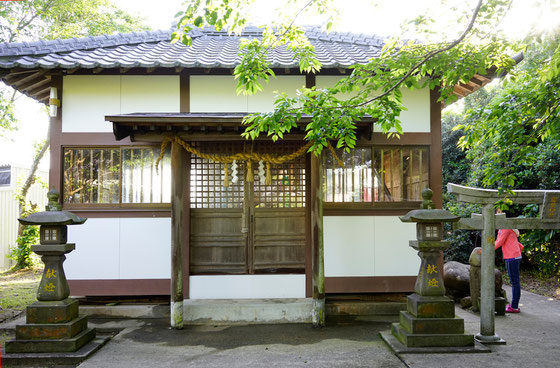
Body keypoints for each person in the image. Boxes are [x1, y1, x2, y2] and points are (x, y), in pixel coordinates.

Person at [494, 212, 524, 313]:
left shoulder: (505, 227)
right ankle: (514, 305)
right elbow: (498, 240)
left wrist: (486, 249)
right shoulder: (504, 227)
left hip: (512, 257)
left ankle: (514, 307)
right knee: (515, 282)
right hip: (514, 256)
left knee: (515, 282)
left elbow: (499, 242)